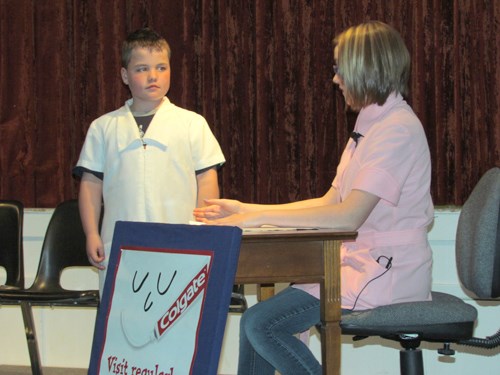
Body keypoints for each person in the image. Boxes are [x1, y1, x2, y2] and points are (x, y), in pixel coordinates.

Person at [193, 21, 433, 375]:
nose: (335, 79)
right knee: (256, 321)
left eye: (339, 69)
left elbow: (347, 217)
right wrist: (249, 209)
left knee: (262, 324)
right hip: (359, 265)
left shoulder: (396, 129)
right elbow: (330, 200)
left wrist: (254, 220)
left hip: (386, 272)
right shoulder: (370, 125)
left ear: (364, 68)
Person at [74, 28, 225, 294]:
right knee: (122, 323)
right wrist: (91, 233)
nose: (153, 76)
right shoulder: (104, 127)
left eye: (161, 67)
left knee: (178, 324)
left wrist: (202, 232)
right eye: (142, 69)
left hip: (181, 244)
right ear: (125, 75)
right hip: (121, 246)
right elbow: (90, 184)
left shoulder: (191, 124)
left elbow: (206, 179)